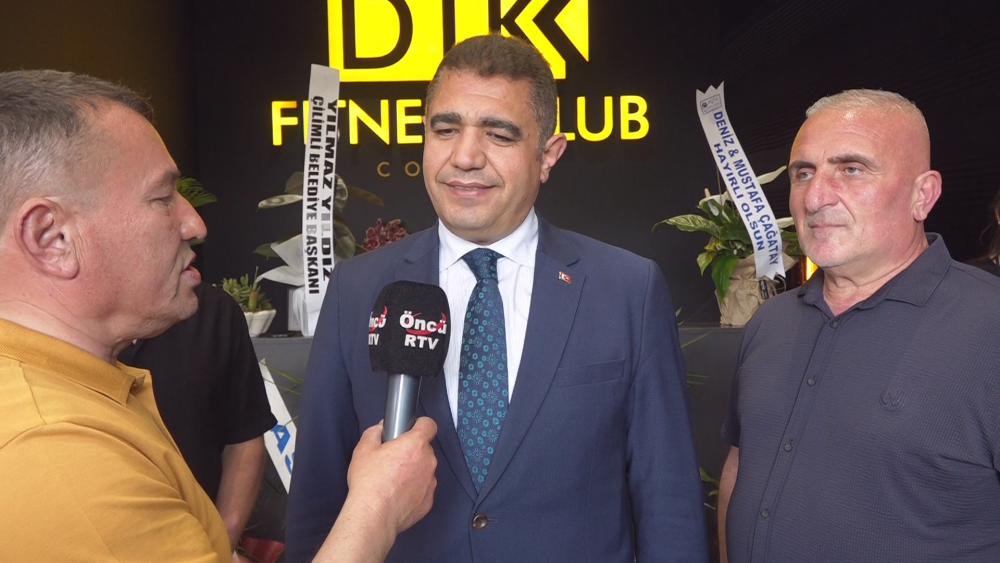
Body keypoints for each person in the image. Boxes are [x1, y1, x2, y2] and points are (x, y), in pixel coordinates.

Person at [285, 34, 707, 563]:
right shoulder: (357, 290)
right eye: (445, 130)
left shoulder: (628, 289)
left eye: (499, 135)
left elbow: (668, 504)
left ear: (548, 154)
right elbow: (317, 503)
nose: (465, 157)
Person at [0, 69, 437, 562]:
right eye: (162, 198)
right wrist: (378, 508)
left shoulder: (75, 395)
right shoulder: (57, 454)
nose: (195, 222)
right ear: (52, 238)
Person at [717, 89, 1000, 562]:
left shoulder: (989, 327)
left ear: (922, 195)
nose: (815, 196)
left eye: (851, 169)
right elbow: (740, 465)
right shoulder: (769, 322)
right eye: (803, 173)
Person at [119, 281, 277, 551]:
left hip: (200, 543)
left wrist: (222, 542)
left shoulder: (213, 312)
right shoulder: (58, 327)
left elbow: (244, 436)